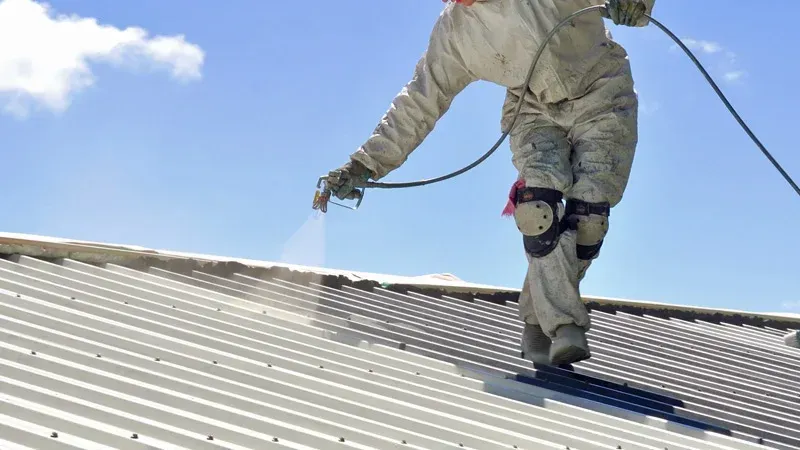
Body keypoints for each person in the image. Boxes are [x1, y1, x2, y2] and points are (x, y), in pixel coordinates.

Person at [325, 0, 654, 367]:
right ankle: (563, 325)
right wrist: (364, 164)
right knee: (537, 210)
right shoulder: (455, 33)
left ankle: (535, 321)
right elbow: (419, 101)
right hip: (531, 105)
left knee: (588, 217)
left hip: (602, 92)